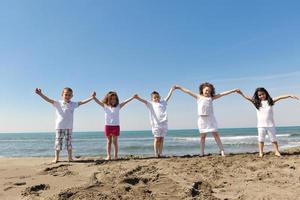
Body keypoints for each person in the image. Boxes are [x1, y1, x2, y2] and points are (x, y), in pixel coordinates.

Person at [175, 83, 239, 156]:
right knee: (202, 137)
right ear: (202, 90)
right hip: (202, 119)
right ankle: (202, 153)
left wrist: (233, 90)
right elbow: (188, 91)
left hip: (211, 119)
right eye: (206, 90)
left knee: (216, 135)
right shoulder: (198, 97)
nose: (207, 92)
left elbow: (222, 94)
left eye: (209, 91)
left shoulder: (211, 98)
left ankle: (222, 151)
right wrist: (179, 87)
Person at [35, 87, 94, 163]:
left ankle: (70, 158)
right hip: (59, 127)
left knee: (69, 143)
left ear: (72, 96)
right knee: (58, 142)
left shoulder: (73, 104)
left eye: (69, 95)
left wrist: (91, 98)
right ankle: (56, 158)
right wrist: (40, 94)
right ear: (62, 95)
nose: (67, 96)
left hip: (69, 127)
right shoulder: (58, 103)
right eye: (66, 94)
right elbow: (48, 100)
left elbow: (82, 102)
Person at [237, 88, 299, 157]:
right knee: (261, 140)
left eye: (263, 94)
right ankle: (261, 152)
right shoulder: (257, 103)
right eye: (259, 95)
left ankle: (276, 151)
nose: (261, 96)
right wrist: (241, 93)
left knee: (273, 139)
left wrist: (289, 95)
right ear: (257, 96)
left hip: (270, 124)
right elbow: (248, 98)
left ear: (266, 93)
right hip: (261, 125)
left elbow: (280, 97)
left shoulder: (270, 101)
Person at [93, 91, 137, 160]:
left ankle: (116, 156)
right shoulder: (105, 106)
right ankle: (108, 156)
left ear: (116, 100)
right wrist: (94, 97)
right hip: (108, 126)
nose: (113, 100)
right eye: (111, 99)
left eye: (114, 99)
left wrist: (132, 97)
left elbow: (125, 102)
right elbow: (98, 102)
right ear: (108, 99)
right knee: (109, 141)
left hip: (116, 126)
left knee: (115, 142)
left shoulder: (118, 106)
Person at [135, 86, 175, 157]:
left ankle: (161, 153)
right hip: (156, 125)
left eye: (158, 97)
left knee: (162, 139)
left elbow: (168, 96)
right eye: (155, 97)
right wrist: (138, 98)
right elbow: (144, 101)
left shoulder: (163, 102)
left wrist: (171, 90)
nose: (156, 98)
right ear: (152, 99)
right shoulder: (151, 104)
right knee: (157, 139)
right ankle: (156, 153)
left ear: (160, 97)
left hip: (164, 124)